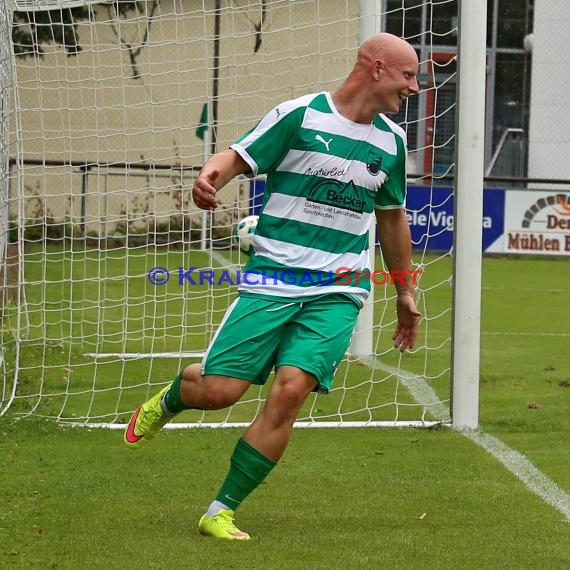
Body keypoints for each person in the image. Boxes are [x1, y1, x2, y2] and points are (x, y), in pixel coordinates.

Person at [123, 32, 421, 541]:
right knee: (219, 391)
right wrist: (208, 177)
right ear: (376, 68)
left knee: (289, 392)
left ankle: (221, 509)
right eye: (408, 75)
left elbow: (392, 222)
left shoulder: (392, 142)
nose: (414, 87)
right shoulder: (299, 116)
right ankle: (171, 400)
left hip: (340, 289)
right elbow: (235, 157)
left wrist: (404, 291)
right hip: (273, 278)